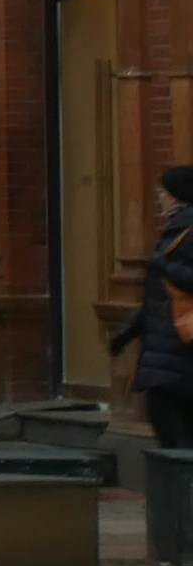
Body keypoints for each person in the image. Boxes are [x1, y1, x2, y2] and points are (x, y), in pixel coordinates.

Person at [106, 163, 193, 450]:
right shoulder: (175, 229)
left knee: (174, 436)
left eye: (163, 190)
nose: (159, 196)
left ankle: (182, 494)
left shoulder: (185, 231)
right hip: (167, 346)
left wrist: (165, 266)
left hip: (179, 347)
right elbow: (159, 296)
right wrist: (130, 329)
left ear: (177, 195)